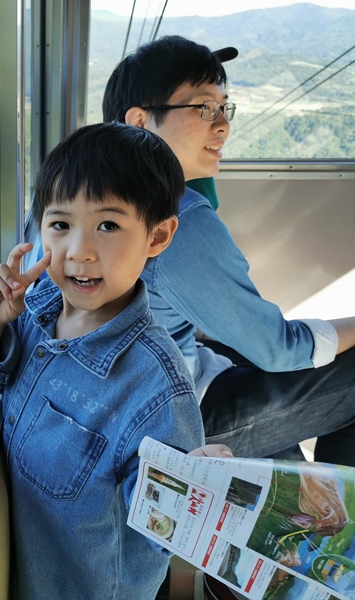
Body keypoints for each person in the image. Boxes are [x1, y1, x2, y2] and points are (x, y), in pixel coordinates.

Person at [0, 122, 224, 599]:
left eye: (108, 225)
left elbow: (164, 530)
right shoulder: (36, 309)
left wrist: (199, 489)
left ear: (157, 236)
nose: (78, 251)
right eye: (60, 224)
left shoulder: (155, 387)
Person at [100, 34, 355, 467]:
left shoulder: (82, 192)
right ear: (140, 122)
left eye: (223, 107)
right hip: (173, 424)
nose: (222, 125)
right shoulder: (177, 216)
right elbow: (280, 349)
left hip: (123, 407)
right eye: (203, 109)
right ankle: (340, 517)